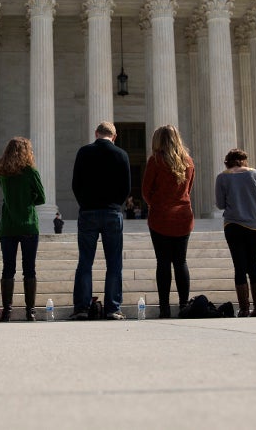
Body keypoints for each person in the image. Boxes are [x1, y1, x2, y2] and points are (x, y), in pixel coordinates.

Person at [70, 121, 131, 320]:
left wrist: (85, 203)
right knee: (114, 264)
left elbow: (76, 184)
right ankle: (113, 308)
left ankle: (81, 308)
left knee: (85, 262)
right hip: (112, 213)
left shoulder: (83, 152)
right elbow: (126, 188)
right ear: (114, 136)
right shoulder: (121, 155)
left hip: (88, 212)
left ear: (96, 133)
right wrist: (115, 204)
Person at [142, 125, 196, 318]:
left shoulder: (155, 161)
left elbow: (146, 190)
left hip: (160, 217)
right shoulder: (188, 162)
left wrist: (156, 204)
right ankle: (183, 306)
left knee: (163, 262)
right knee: (181, 261)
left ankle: (164, 308)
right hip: (183, 215)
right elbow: (188, 188)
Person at [0, 137, 46, 321]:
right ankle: (30, 311)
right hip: (28, 224)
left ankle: (7, 311)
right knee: (29, 268)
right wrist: (28, 200)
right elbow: (41, 198)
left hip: (8, 225)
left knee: (8, 268)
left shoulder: (2, 172)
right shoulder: (30, 172)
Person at [215, 148, 256, 317]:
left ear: (227, 162)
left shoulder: (222, 177)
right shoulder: (255, 174)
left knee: (239, 267)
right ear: (244, 160)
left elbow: (220, 204)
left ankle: (244, 309)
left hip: (233, 225)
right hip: (254, 225)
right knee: (254, 267)